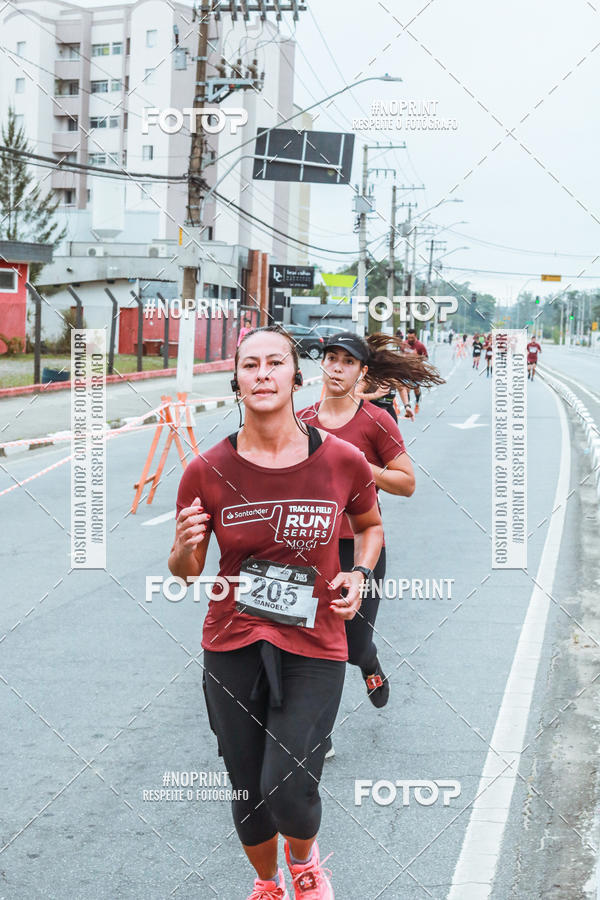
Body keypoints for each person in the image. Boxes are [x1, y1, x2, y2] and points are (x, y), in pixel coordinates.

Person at [169, 325, 383, 900]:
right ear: (235, 379)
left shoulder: (341, 460)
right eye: (250, 365)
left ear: (295, 375)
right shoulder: (205, 470)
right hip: (232, 639)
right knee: (245, 785)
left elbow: (369, 526)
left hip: (315, 640)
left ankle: (307, 866)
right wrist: (187, 548)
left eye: (274, 363)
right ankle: (267, 883)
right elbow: (185, 570)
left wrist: (359, 573)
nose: (262, 374)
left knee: (285, 783)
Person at [299, 332, 443, 732]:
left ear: (362, 372)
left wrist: (359, 464)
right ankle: (315, 736)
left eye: (347, 362)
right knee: (310, 648)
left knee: (352, 645)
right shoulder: (301, 421)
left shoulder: (376, 421)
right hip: (309, 550)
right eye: (331, 359)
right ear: (322, 365)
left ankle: (369, 661)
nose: (337, 368)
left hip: (360, 550)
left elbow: (406, 483)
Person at [403, 328, 429, 413]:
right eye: (409, 337)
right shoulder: (404, 344)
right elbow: (401, 354)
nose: (410, 339)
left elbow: (426, 358)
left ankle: (417, 402)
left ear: (415, 336)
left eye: (412, 338)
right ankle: (408, 408)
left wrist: (417, 356)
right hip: (406, 370)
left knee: (416, 389)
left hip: (416, 372)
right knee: (406, 389)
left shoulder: (420, 345)